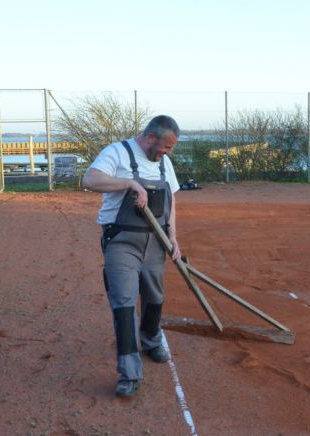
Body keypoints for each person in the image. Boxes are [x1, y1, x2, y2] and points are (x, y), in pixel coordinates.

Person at [82, 115, 182, 397]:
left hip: (156, 243)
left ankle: (151, 340)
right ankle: (129, 372)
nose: (167, 153)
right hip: (121, 242)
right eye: (166, 147)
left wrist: (173, 238)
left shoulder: (165, 163)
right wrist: (129, 184)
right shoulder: (117, 152)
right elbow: (90, 179)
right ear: (151, 138)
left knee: (154, 298)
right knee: (124, 302)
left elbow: (171, 203)